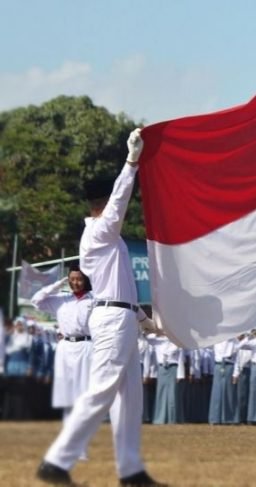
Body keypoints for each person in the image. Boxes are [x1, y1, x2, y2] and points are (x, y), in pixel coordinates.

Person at [37, 129, 165, 486]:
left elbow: (122, 290)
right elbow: (121, 202)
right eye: (111, 200)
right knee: (102, 390)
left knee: (130, 398)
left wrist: (146, 321)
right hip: (110, 317)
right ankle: (57, 461)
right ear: (103, 201)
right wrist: (131, 163)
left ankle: (131, 470)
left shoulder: (108, 236)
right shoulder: (99, 232)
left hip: (121, 314)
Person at [30, 266, 94, 428]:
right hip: (65, 347)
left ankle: (82, 433)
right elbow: (36, 300)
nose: (75, 283)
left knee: (84, 391)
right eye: (72, 279)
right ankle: (68, 432)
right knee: (66, 392)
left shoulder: (94, 299)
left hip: (86, 345)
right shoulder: (60, 299)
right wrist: (57, 285)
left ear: (85, 280)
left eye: (79, 279)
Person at [148, 334, 186, 424]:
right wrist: (157, 332)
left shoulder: (178, 342)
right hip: (161, 369)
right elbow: (145, 337)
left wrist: (180, 375)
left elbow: (181, 360)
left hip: (173, 368)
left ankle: (172, 418)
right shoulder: (157, 341)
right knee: (161, 393)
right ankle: (159, 419)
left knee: (172, 395)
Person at [209, 337, 239, 425]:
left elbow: (237, 359)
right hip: (218, 366)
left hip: (229, 365)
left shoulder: (234, 341)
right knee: (217, 393)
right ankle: (215, 418)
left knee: (229, 393)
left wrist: (236, 373)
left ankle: (229, 418)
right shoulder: (215, 340)